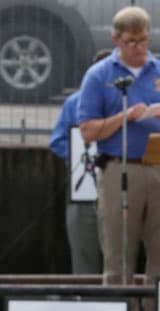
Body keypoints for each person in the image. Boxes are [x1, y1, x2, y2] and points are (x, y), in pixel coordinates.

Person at [78, 6, 160, 287]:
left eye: (143, 40)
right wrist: (124, 116)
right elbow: (87, 131)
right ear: (116, 39)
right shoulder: (99, 75)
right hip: (120, 169)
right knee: (118, 254)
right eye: (131, 41)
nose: (138, 47)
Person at [49, 50, 110, 275]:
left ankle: (122, 299)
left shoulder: (129, 102)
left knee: (120, 249)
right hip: (83, 184)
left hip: (121, 184)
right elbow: (57, 141)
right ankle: (84, 297)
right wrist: (78, 156)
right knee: (83, 245)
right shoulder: (75, 102)